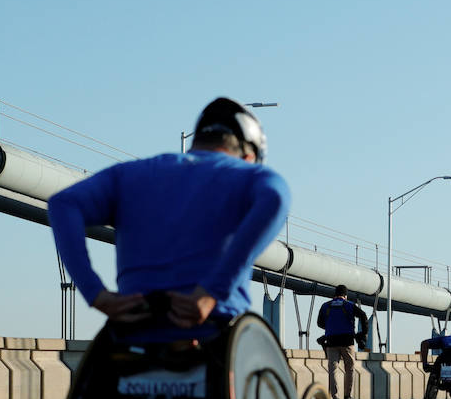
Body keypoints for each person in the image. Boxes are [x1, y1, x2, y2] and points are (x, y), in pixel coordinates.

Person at [50, 97, 289, 328]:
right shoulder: (248, 174)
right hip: (214, 333)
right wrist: (211, 291)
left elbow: (63, 203)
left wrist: (95, 293)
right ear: (249, 157)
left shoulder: (129, 174)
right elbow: (276, 197)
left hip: (133, 330)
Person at [317, 285, 369, 399]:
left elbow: (319, 323)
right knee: (350, 368)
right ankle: (347, 396)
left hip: (330, 341)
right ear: (345, 296)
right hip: (347, 341)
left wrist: (331, 327)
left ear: (334, 295)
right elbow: (363, 315)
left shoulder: (326, 306)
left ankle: (335, 397)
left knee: (333, 369)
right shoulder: (349, 305)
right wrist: (363, 333)